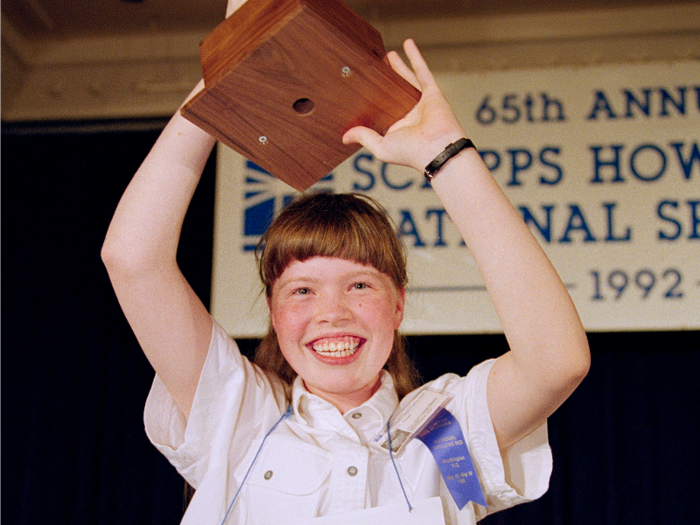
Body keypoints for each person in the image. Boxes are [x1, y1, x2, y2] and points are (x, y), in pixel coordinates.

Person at [102, 3, 590, 523]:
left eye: (359, 286)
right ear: (273, 310)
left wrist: (445, 154)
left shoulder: (445, 435)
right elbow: (133, 258)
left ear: (398, 305)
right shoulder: (236, 415)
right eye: (302, 291)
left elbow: (555, 362)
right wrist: (225, 77)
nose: (331, 313)